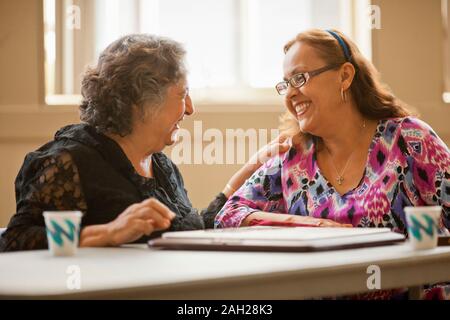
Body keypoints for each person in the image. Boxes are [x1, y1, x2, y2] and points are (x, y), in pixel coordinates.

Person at [214, 29, 450, 299]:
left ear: (345, 75)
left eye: (300, 78)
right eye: (285, 84)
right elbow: (227, 217)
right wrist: (312, 227)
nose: (290, 94)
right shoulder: (293, 158)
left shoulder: (409, 139)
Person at [0, 34, 289, 251]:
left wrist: (256, 164)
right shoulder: (67, 162)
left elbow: (193, 230)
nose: (190, 109)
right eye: (182, 95)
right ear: (141, 102)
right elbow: (15, 240)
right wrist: (107, 233)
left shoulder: (162, 166)